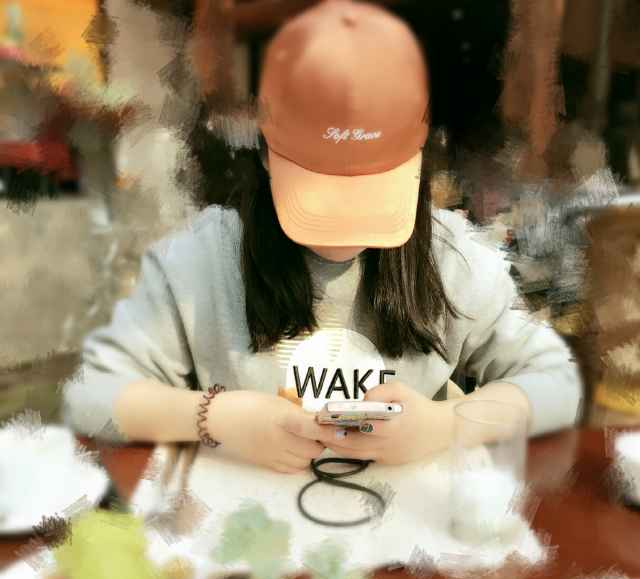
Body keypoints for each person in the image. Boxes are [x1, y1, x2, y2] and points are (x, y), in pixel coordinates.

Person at [62, 0, 583, 474]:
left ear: (417, 162)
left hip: (403, 530)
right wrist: (215, 417)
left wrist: (445, 425)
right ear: (266, 153)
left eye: (370, 190)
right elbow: (91, 395)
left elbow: (557, 382)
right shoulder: (204, 259)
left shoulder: (452, 259)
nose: (344, 228)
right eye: (321, 187)